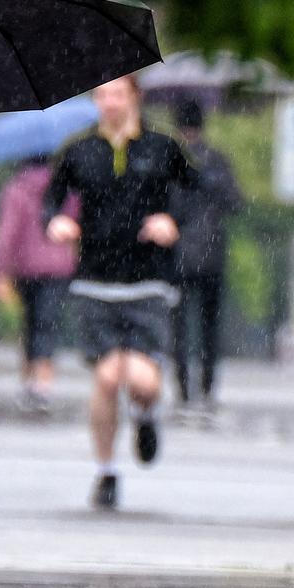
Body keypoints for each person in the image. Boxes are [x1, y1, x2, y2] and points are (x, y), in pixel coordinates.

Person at [44, 75, 198, 509]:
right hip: (95, 278)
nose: (108, 103)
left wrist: (173, 222)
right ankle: (106, 471)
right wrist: (57, 222)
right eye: (101, 95)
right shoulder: (79, 151)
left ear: (135, 98)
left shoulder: (162, 149)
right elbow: (50, 200)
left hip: (149, 280)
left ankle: (147, 415)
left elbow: (195, 194)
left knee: (144, 381)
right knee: (109, 377)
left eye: (117, 94)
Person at [168, 98, 244, 422]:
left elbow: (160, 203)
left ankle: (184, 389)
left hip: (177, 254)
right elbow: (236, 203)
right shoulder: (217, 161)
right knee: (209, 326)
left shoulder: (169, 160)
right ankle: (208, 387)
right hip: (212, 254)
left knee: (179, 326)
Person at [0, 152, 78, 413]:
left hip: (25, 267)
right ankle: (44, 384)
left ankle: (29, 381)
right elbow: (75, 221)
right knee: (47, 323)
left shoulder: (15, 189)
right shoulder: (64, 186)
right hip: (59, 266)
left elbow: (8, 233)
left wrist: (0, 269)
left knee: (30, 323)